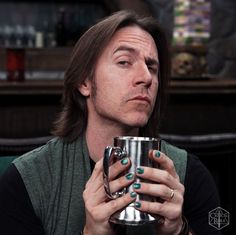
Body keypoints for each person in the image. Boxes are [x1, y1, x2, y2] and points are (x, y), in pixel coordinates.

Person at [0, 10, 221, 235]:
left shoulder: (190, 175)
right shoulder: (25, 182)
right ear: (84, 81)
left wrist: (179, 231)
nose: (146, 77)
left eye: (152, 67)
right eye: (124, 62)